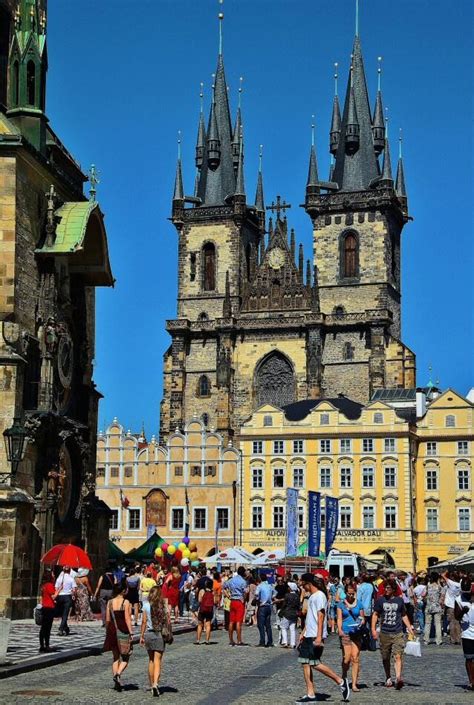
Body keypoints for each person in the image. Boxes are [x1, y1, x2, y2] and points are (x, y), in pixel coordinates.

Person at [296, 574, 350, 703]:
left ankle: (340, 681)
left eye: (303, 584)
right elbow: (310, 617)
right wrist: (303, 632)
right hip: (309, 633)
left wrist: (319, 637)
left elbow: (321, 616)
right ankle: (310, 693)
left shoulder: (320, 595)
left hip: (315, 634)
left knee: (314, 663)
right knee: (305, 663)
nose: (302, 586)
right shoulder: (312, 597)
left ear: (309, 583)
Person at [371, 578, 415, 690]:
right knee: (385, 657)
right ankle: (388, 677)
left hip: (398, 632)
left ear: (393, 589)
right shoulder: (380, 600)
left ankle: (398, 678)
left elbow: (404, 615)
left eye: (388, 588)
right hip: (385, 633)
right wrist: (373, 629)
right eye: (385, 587)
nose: (386, 589)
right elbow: (375, 614)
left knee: (398, 655)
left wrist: (410, 628)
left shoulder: (399, 601)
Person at [140, 584, 171, 696]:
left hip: (149, 634)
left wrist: (141, 636)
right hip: (159, 635)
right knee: (158, 660)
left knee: (151, 660)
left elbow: (143, 622)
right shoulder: (163, 605)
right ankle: (155, 684)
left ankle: (151, 683)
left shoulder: (146, 605)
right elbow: (168, 621)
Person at [103, 581, 133, 692]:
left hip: (112, 630)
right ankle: (118, 674)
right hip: (122, 630)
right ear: (123, 591)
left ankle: (117, 682)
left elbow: (107, 619)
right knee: (126, 656)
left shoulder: (109, 602)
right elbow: (127, 619)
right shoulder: (126, 602)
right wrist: (131, 632)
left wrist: (108, 631)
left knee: (115, 657)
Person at [337, 582, 365, 692]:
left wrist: (362, 622)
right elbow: (339, 618)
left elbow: (362, 617)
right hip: (345, 632)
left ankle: (354, 684)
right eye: (349, 594)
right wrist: (339, 630)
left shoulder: (359, 604)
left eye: (353, 594)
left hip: (356, 632)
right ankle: (344, 676)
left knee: (355, 658)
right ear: (345, 593)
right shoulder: (341, 604)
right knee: (347, 658)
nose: (351, 596)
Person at [455, 577, 474, 690]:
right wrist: (463, 611)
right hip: (467, 633)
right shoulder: (458, 599)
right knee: (469, 658)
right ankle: (471, 681)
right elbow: (457, 616)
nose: (466, 595)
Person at [225, 566, 248, 646]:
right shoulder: (243, 581)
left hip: (232, 601)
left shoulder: (231, 580)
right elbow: (245, 592)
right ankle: (239, 640)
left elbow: (224, 586)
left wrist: (228, 595)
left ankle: (231, 640)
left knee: (231, 621)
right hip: (239, 601)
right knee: (238, 622)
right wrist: (244, 599)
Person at [54, 565, 76, 636]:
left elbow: (56, 588)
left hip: (60, 597)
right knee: (65, 614)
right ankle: (61, 628)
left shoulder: (59, 578)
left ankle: (66, 628)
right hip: (67, 597)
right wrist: (73, 595)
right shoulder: (71, 579)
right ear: (69, 571)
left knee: (62, 614)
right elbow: (74, 590)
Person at [255, 572, 275, 647]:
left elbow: (256, 594)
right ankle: (270, 641)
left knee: (261, 625)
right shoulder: (270, 586)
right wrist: (271, 598)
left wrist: (258, 599)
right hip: (269, 606)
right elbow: (275, 593)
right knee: (268, 625)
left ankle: (262, 641)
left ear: (260, 578)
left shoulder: (259, 586)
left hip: (262, 606)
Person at [442, 570, 462, 644]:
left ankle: (453, 639)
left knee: (451, 623)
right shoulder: (460, 584)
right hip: (458, 605)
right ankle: (459, 638)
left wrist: (447, 570)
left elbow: (443, 575)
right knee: (458, 622)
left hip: (450, 605)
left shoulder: (451, 583)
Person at [39, 569, 56, 652]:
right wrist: (60, 589)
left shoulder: (43, 585)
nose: (54, 575)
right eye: (53, 574)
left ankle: (42, 645)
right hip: (49, 608)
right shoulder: (49, 585)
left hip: (44, 607)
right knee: (47, 628)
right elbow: (54, 596)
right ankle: (47, 645)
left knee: (43, 628)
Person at [424, 572, 443, 646]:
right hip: (437, 607)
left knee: (427, 623)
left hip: (429, 607)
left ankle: (426, 640)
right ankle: (439, 640)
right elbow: (442, 596)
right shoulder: (439, 586)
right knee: (438, 624)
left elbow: (424, 594)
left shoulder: (428, 585)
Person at [280, 581, 300, 649]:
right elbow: (298, 606)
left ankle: (285, 642)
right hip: (294, 614)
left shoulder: (287, 595)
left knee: (283, 627)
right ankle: (293, 643)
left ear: (290, 588)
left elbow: (284, 604)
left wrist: (281, 611)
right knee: (292, 629)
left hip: (287, 613)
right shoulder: (297, 596)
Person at [195, 577, 214, 645]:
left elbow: (199, 600)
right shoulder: (212, 592)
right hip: (209, 609)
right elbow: (215, 601)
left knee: (200, 624)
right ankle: (207, 640)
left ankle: (198, 640)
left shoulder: (202, 591)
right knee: (208, 624)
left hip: (202, 609)